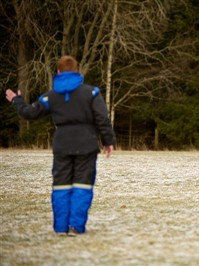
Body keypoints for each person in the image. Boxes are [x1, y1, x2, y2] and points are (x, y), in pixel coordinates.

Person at [5, 55, 116, 236]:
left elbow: (29, 113)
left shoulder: (51, 96)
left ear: (58, 72)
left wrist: (17, 100)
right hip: (86, 145)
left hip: (62, 145)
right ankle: (76, 227)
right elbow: (102, 118)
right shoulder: (92, 92)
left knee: (61, 186)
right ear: (77, 71)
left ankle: (61, 228)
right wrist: (108, 140)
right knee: (83, 185)